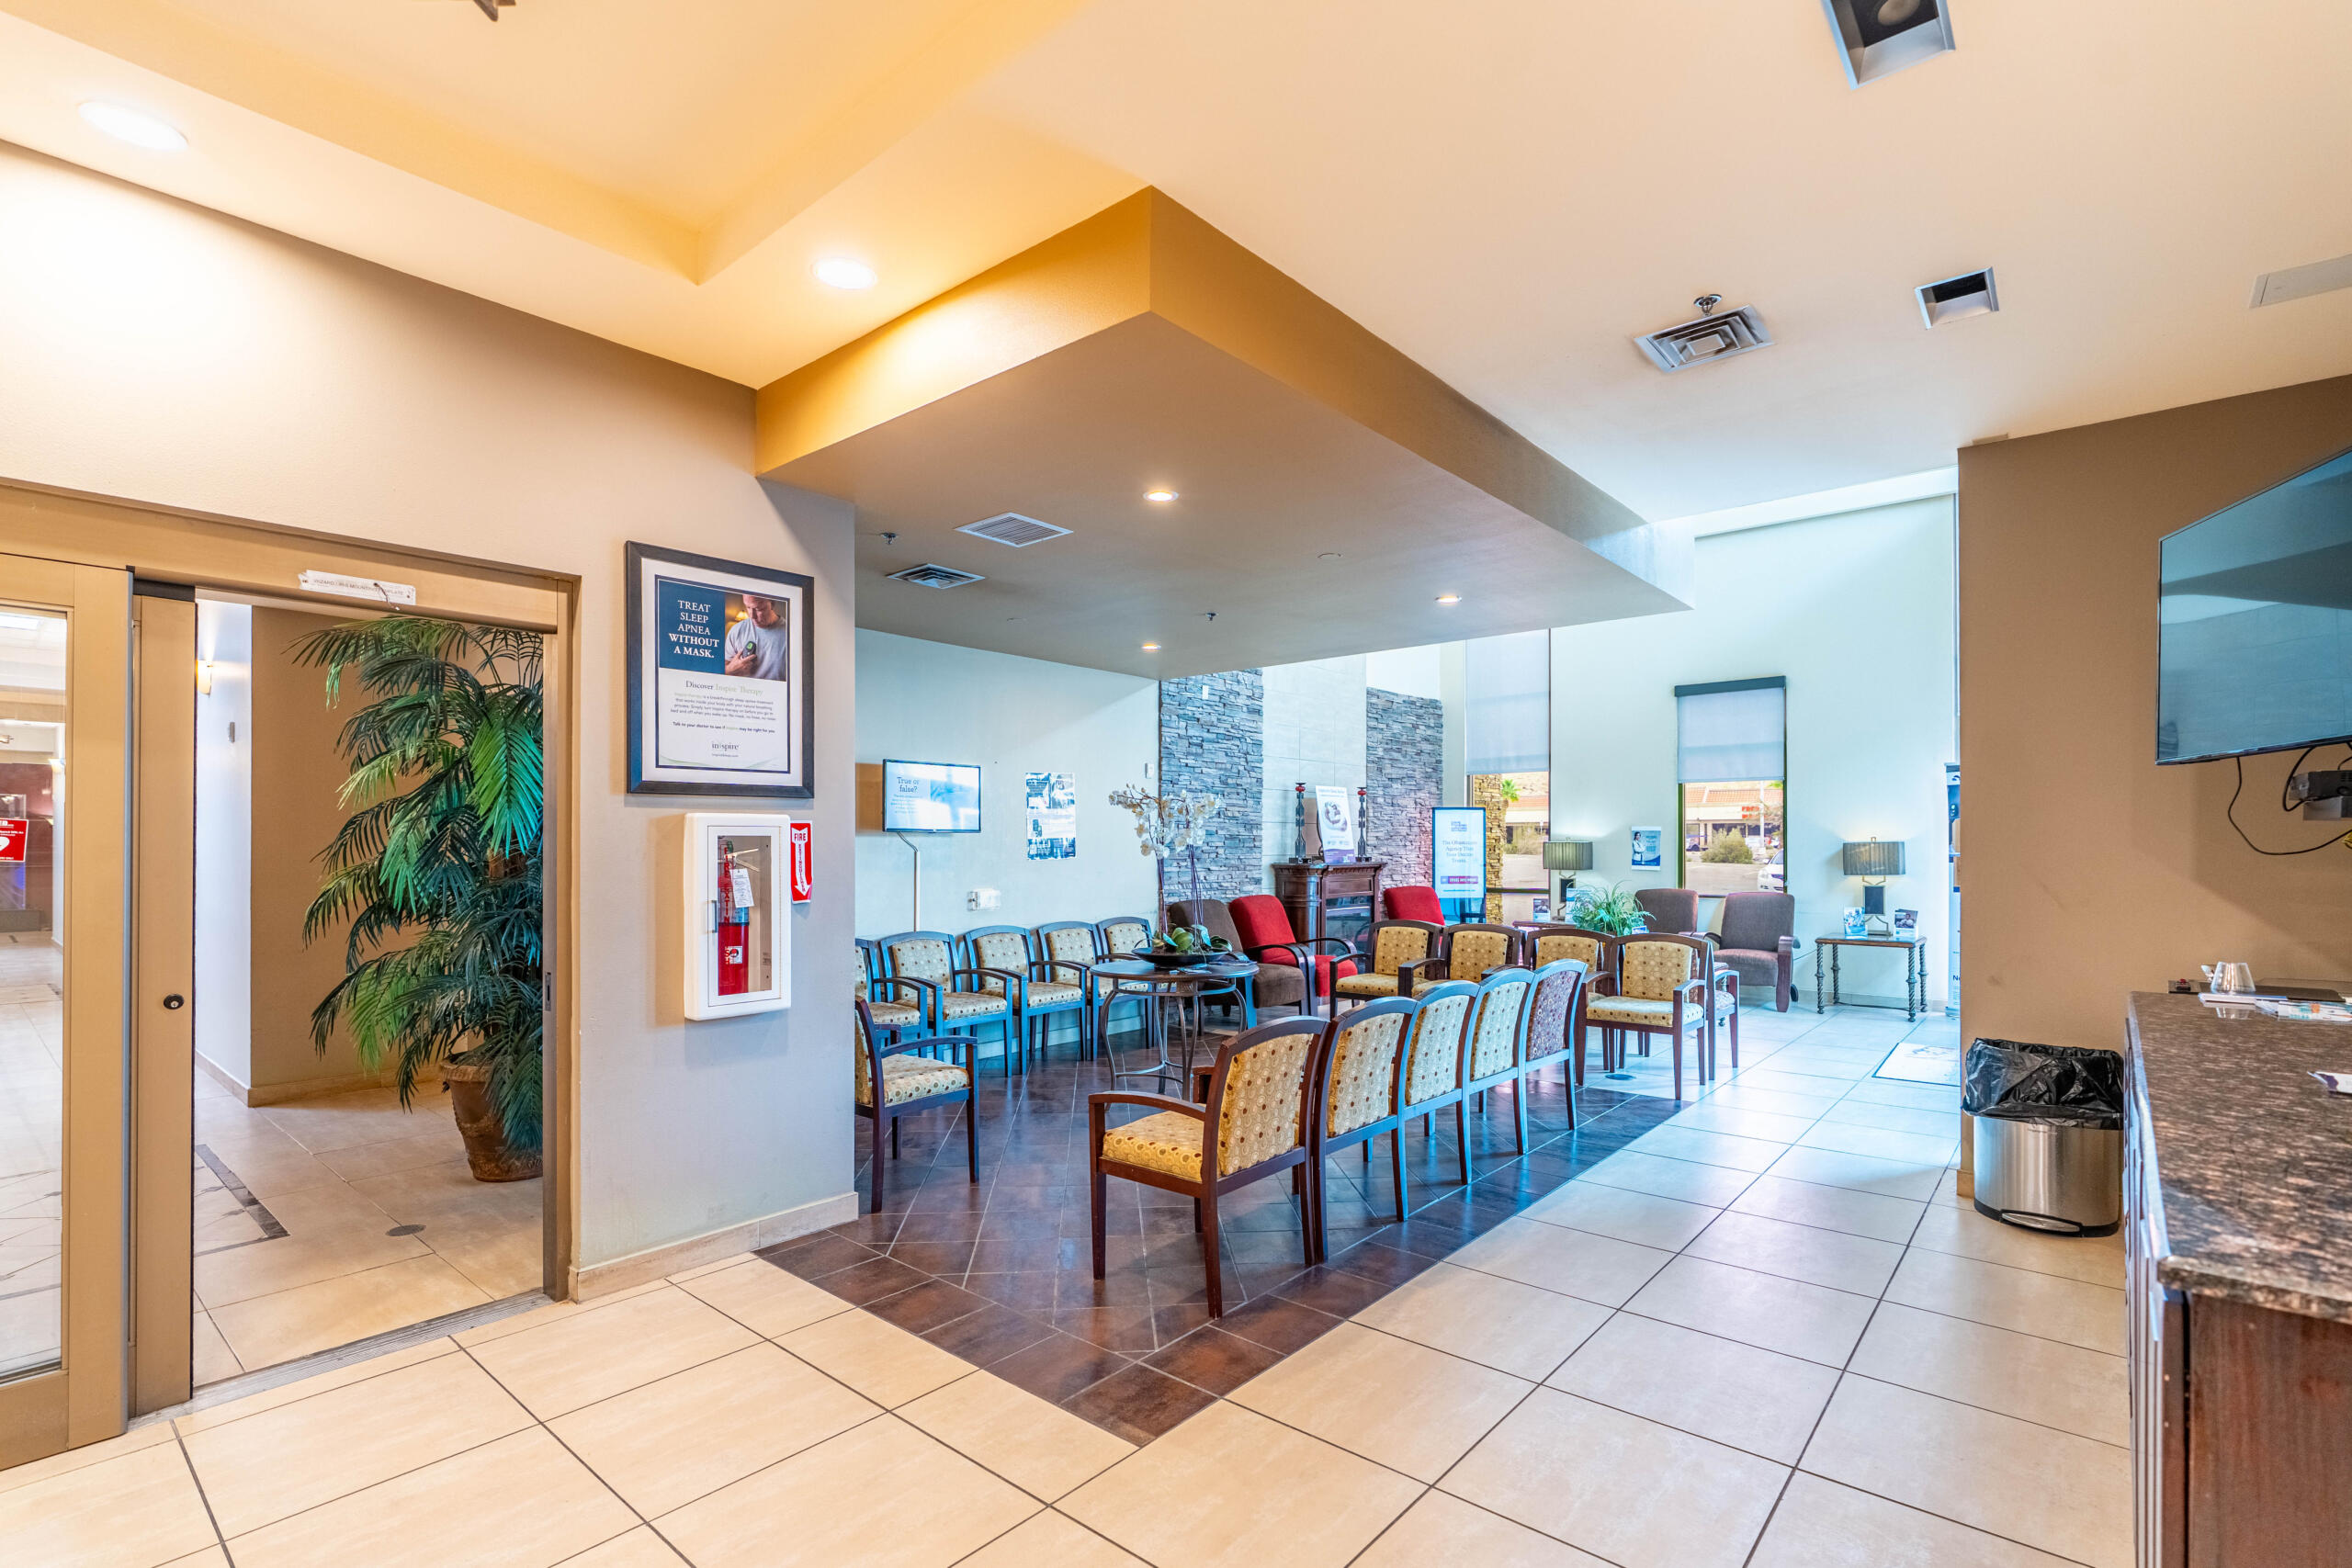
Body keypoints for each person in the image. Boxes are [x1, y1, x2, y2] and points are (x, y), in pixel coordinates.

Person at [724, 593, 789, 681]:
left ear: (772, 604)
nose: (752, 616)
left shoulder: (792, 634)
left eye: (759, 609)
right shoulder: (736, 630)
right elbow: (724, 667)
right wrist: (730, 670)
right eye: (748, 607)